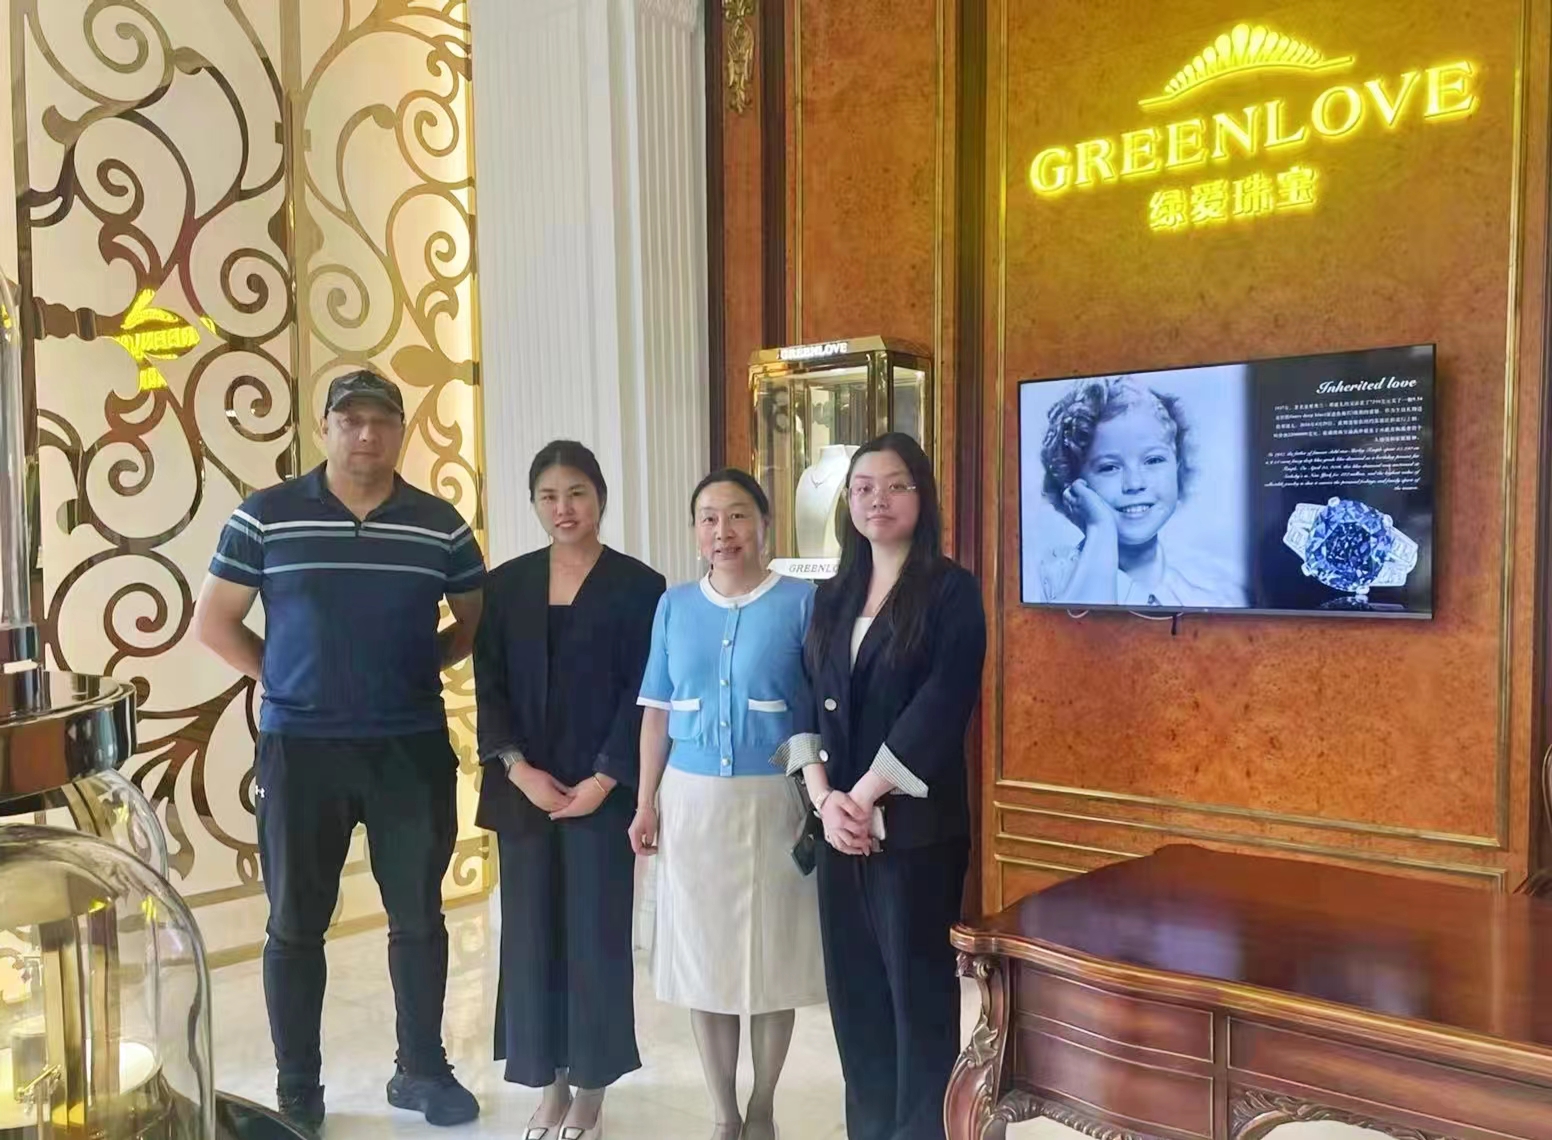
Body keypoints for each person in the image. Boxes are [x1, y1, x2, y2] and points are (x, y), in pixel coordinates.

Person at [192, 369, 484, 1133]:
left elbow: (473, 622)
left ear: (400, 431)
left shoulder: (439, 525)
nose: (366, 434)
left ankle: (421, 1069)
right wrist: (280, 678)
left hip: (410, 750)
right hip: (302, 752)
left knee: (418, 917)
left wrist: (419, 666)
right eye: (350, 420)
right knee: (295, 924)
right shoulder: (266, 516)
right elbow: (215, 622)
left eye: (381, 421)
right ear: (324, 427)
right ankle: (299, 1089)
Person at [785, 433, 986, 1140]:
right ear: (848, 502)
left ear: (922, 495)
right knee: (857, 1002)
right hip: (837, 830)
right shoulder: (830, 595)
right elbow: (801, 700)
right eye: (864, 487)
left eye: (896, 485)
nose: (879, 499)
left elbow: (941, 705)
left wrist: (865, 794)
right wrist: (822, 798)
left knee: (917, 1001)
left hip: (916, 837)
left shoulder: (951, 591)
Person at [473, 441, 665, 1140]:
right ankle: (549, 1087)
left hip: (602, 794)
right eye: (549, 496)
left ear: (600, 498)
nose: (564, 508)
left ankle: (590, 1091)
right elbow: (488, 684)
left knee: (596, 939)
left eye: (577, 493)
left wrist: (606, 779)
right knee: (530, 940)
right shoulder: (505, 585)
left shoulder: (640, 586)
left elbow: (645, 691)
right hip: (525, 792)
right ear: (533, 503)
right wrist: (517, 769)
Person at [629, 469, 826, 1140]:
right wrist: (645, 802)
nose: (723, 531)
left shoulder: (802, 602)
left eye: (738, 515)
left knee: (771, 964)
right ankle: (723, 1111)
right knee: (704, 964)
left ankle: (763, 1106)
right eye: (709, 518)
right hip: (691, 805)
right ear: (695, 531)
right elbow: (656, 713)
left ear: (764, 524)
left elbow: (820, 708)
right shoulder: (674, 605)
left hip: (774, 803)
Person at [1036, 376, 1246, 607]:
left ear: (1176, 468)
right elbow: (1082, 625)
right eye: (1109, 467)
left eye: (1153, 460)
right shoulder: (1052, 575)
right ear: (1073, 483)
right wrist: (1100, 528)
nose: (1134, 483)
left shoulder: (1213, 592)